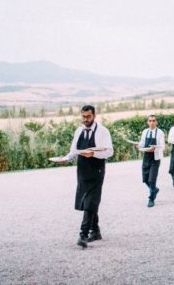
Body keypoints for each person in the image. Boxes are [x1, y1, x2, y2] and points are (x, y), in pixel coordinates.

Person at [55, 105, 114, 248]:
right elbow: (74, 151)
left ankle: (83, 234)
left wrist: (93, 154)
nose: (85, 119)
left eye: (88, 116)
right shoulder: (78, 130)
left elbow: (110, 152)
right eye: (83, 116)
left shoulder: (103, 131)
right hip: (82, 170)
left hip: (97, 170)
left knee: (90, 202)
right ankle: (96, 231)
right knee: (87, 201)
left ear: (94, 115)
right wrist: (66, 158)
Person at [137, 115, 165, 207]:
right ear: (147, 122)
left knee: (152, 179)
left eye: (153, 121)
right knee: (145, 179)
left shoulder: (160, 132)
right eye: (150, 121)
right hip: (146, 156)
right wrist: (138, 145)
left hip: (155, 158)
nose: (152, 122)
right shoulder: (145, 131)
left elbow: (163, 146)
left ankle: (151, 199)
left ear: (156, 122)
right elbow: (142, 143)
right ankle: (155, 189)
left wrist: (155, 149)